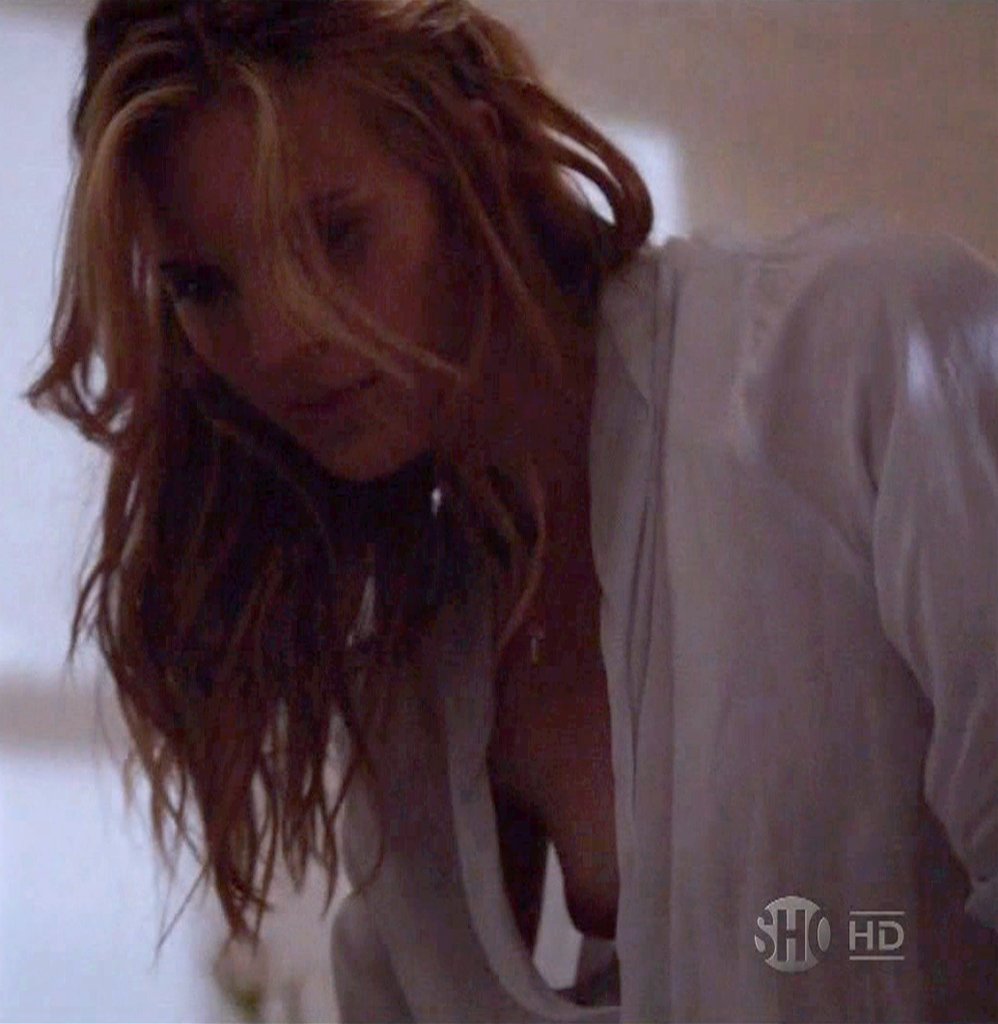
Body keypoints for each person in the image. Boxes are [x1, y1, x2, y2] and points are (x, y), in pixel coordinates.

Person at [22, 1, 997, 1021]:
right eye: (203, 285)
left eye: (333, 234)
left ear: (466, 155)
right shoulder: (403, 682)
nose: (276, 342)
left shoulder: (861, 362)